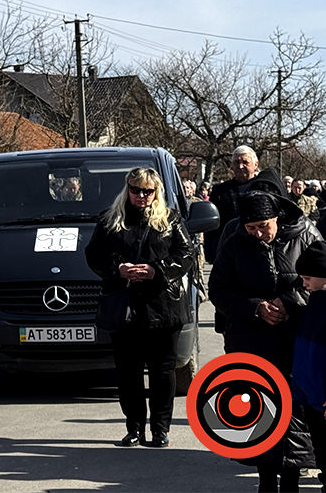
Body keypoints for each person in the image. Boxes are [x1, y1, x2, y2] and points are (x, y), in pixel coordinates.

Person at [210, 191, 319, 493]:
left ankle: (293, 480)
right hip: (250, 339)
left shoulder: (306, 235)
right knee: (260, 409)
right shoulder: (233, 244)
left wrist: (289, 301)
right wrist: (255, 307)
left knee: (296, 408)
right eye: (251, 228)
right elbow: (218, 289)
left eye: (263, 226)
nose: (259, 234)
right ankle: (266, 479)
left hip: (297, 337)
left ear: (277, 219)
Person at [84, 167, 194, 449]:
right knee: (128, 371)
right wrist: (117, 268)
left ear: (156, 192)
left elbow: (186, 254)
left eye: (148, 191)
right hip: (125, 305)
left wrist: (156, 270)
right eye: (136, 190)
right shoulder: (110, 220)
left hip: (163, 304)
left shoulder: (169, 219)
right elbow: (93, 255)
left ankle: (160, 430)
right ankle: (134, 428)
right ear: (127, 190)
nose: (142, 196)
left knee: (162, 370)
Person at [292, 242, 326, 493]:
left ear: (325, 275)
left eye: (307, 278)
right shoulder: (314, 303)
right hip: (311, 397)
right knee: (322, 447)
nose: (303, 283)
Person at [205, 146, 285, 263]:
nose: (240, 166)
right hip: (231, 248)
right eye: (236, 162)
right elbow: (212, 225)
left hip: (264, 246)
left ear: (255, 164)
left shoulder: (265, 187)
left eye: (245, 162)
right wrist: (211, 252)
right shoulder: (220, 191)